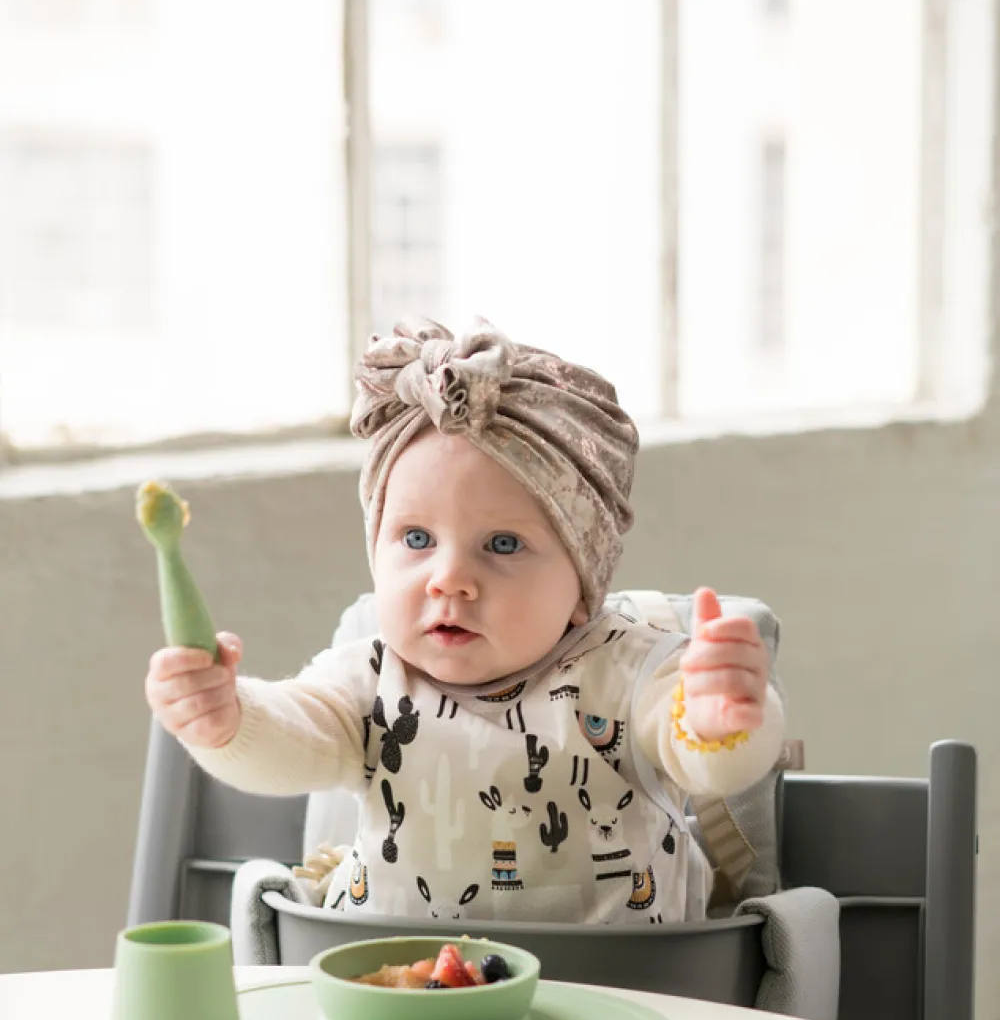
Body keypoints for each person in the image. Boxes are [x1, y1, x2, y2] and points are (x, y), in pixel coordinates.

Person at [145, 319, 785, 924]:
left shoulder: (630, 670)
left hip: (618, 1000)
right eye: (416, 538)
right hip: (401, 995)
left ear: (583, 585)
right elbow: (290, 739)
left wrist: (717, 718)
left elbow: (710, 762)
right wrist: (227, 721)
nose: (447, 578)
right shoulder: (369, 679)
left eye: (503, 545)